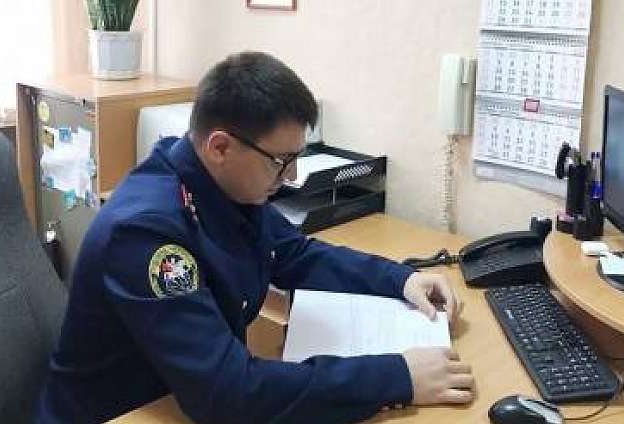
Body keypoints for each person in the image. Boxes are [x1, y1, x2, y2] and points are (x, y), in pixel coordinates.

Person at [37, 51, 474, 424]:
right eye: (281, 161)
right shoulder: (144, 235)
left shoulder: (219, 181)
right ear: (220, 147)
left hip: (173, 396)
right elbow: (226, 394)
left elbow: (295, 254)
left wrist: (399, 279)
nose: (292, 176)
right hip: (121, 414)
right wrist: (396, 377)